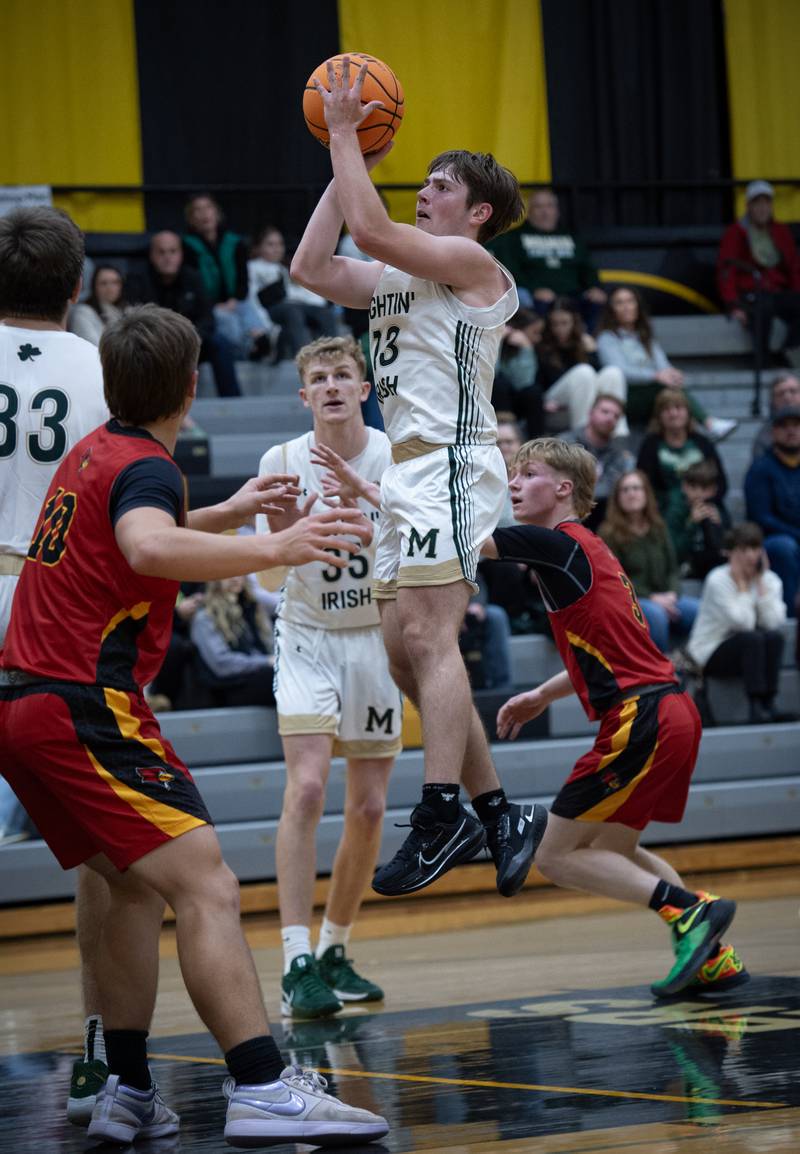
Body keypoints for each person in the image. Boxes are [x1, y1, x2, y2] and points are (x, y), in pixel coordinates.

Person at [0, 303, 388, 1147]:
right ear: (191, 386)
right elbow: (145, 546)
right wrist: (275, 548)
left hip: (25, 705)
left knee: (134, 888)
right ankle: (260, 1085)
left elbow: (132, 537)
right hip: (83, 705)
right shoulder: (145, 467)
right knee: (207, 883)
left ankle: (129, 1088)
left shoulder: (93, 452)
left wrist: (230, 511)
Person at [289, 57, 547, 898]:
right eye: (422, 181)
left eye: (439, 186)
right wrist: (352, 151)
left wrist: (342, 137)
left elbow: (367, 235)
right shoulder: (404, 270)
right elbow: (312, 267)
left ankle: (441, 812)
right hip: (403, 474)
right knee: (406, 656)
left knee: (434, 640)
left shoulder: (476, 270)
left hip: (450, 463)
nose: (423, 192)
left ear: (475, 214)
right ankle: (496, 809)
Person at [483, 438, 744, 998]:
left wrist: (376, 498)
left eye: (526, 473)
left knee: (554, 856)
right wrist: (541, 695)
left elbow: (460, 546)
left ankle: (689, 910)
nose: (513, 484)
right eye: (512, 475)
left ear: (563, 489)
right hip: (669, 709)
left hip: (640, 717)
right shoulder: (589, 551)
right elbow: (619, 649)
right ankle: (712, 956)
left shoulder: (554, 543)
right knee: (614, 851)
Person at [0, 205, 111, 1114]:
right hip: (54, 603)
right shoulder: (101, 362)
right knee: (99, 852)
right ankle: (99, 1047)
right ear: (75, 289)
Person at [255, 335, 400, 1019]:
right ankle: (294, 959)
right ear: (304, 394)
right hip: (308, 633)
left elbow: (418, 547)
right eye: (321, 377)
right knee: (308, 787)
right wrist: (290, 525)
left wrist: (368, 521)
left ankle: (336, 947)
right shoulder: (280, 460)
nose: (334, 385)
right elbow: (266, 570)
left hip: (375, 635)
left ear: (364, 389)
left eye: (345, 374)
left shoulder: (394, 456)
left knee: (370, 808)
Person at [597, 286, 736, 438]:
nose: (626, 307)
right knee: (666, 389)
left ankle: (698, 435)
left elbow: (663, 365)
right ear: (612, 310)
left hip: (651, 394)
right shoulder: (607, 338)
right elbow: (621, 372)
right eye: (619, 303)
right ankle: (709, 424)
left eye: (630, 301)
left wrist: (672, 374)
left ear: (637, 305)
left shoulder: (645, 337)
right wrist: (656, 376)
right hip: (627, 398)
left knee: (673, 392)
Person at [687, 522, 787, 724]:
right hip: (710, 651)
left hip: (748, 649)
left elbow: (774, 621)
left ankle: (768, 702)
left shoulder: (769, 580)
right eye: (743, 550)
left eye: (755, 549)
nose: (750, 556)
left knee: (774, 638)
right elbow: (744, 623)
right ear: (731, 553)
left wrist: (759, 585)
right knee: (752, 638)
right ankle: (755, 706)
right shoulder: (718, 580)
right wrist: (742, 586)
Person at [127, 230, 242, 397]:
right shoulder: (137, 279)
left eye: (173, 251)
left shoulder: (194, 277)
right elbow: (135, 320)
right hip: (153, 347)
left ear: (180, 254)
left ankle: (233, 401)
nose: (167, 257)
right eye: (161, 252)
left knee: (220, 344)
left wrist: (188, 339)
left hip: (190, 343)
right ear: (152, 255)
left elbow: (207, 318)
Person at [599, 471, 699, 654]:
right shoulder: (609, 533)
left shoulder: (658, 527)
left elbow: (672, 568)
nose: (631, 494)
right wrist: (652, 597)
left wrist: (672, 594)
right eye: (625, 490)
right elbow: (615, 580)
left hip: (666, 596)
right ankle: (660, 672)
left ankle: (690, 664)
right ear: (618, 498)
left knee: (699, 611)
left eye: (636, 488)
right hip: (632, 601)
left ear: (646, 494)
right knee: (657, 615)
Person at [487, 186, 606, 330]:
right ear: (529, 211)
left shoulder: (572, 237)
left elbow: (588, 268)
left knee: (598, 300)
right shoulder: (513, 238)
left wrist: (594, 287)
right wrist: (533, 289)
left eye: (549, 206)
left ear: (557, 210)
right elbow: (511, 271)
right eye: (539, 207)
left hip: (574, 296)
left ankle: (589, 346)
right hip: (536, 298)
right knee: (531, 298)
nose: (545, 212)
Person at [182, 194, 276, 361]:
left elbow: (243, 281)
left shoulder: (235, 243)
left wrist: (234, 300)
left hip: (235, 300)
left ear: (217, 213)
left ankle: (262, 339)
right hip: (208, 305)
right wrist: (216, 304)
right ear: (190, 217)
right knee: (225, 319)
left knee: (248, 308)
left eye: (208, 208)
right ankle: (249, 347)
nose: (204, 214)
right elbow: (193, 285)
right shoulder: (187, 247)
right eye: (198, 210)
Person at [717, 180, 800, 365]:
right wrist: (733, 304)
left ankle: (791, 350)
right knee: (763, 307)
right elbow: (726, 271)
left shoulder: (780, 231)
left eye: (766, 203)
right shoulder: (736, 232)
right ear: (748, 206)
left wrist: (796, 293)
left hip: (777, 291)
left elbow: (794, 267)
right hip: (750, 293)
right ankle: (762, 359)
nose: (762, 208)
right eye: (757, 203)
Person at [636, 388, 729, 548]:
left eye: (678, 408)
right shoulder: (650, 445)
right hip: (665, 509)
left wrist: (705, 501)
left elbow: (721, 482)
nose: (673, 413)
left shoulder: (702, 442)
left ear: (688, 413)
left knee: (718, 519)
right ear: (659, 416)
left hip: (706, 501)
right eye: (666, 409)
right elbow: (644, 484)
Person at [248, 225, 339, 358]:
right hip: (271, 310)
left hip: (293, 306)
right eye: (270, 244)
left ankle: (334, 355)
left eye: (280, 244)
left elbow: (294, 293)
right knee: (293, 311)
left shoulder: (284, 269)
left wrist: (320, 302)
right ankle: (304, 358)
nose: (276, 248)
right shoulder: (252, 268)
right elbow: (252, 298)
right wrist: (265, 325)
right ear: (259, 247)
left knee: (324, 312)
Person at [536, 298, 627, 431]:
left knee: (613, 373)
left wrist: (592, 353)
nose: (560, 328)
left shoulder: (584, 343)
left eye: (565, 323)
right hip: (552, 397)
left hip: (584, 394)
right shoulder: (541, 345)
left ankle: (619, 435)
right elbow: (540, 381)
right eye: (554, 324)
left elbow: (597, 378)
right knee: (584, 372)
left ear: (574, 321)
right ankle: (583, 436)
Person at [744, 405, 800, 615]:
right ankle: (788, 618)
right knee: (784, 547)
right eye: (785, 426)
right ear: (773, 432)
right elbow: (762, 518)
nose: (792, 431)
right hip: (773, 541)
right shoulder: (761, 469)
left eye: (796, 425)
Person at [189, 575, 275, 707]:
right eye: (228, 574)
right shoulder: (205, 617)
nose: (235, 578)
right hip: (228, 687)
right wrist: (266, 661)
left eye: (240, 573)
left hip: (255, 676)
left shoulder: (252, 608)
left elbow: (270, 645)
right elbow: (222, 665)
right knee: (275, 678)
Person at [562, 393, 635, 529]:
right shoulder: (565, 443)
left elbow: (610, 488)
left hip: (599, 514)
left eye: (616, 416)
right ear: (590, 413)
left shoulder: (618, 454)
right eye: (605, 411)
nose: (610, 418)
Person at [491, 308, 544, 440]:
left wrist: (527, 348)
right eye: (535, 332)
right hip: (494, 399)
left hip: (516, 401)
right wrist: (497, 341)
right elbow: (490, 374)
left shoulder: (528, 349)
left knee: (533, 392)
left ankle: (537, 442)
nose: (539, 338)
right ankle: (502, 437)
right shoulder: (496, 340)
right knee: (499, 384)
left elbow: (525, 382)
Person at [672, 459, 731, 579]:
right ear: (684, 486)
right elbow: (673, 549)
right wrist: (692, 523)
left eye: (704, 488)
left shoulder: (717, 508)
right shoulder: (675, 510)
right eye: (693, 487)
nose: (698, 493)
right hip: (685, 562)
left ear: (714, 490)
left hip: (712, 563)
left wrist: (719, 524)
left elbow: (725, 545)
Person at [67, 264, 128, 345]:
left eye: (115, 282)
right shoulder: (82, 313)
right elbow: (93, 346)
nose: (109, 287)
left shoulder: (128, 311)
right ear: (94, 286)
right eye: (103, 283)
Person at [752, 373, 800, 459]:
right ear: (772, 401)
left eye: (793, 391)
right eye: (781, 393)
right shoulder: (765, 438)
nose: (787, 397)